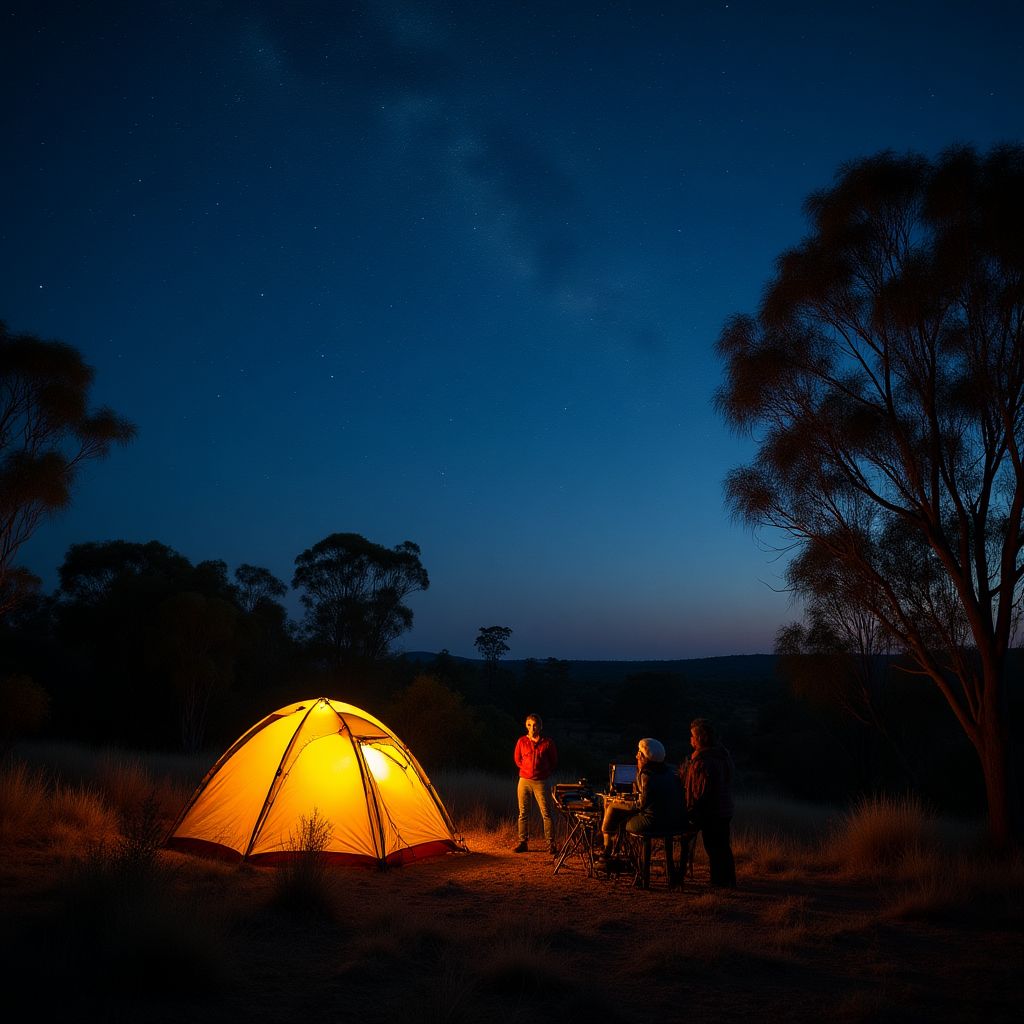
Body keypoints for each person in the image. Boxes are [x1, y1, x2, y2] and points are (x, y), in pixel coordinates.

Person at [599, 737, 683, 860]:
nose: (636, 757)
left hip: (653, 823)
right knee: (622, 811)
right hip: (673, 821)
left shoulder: (647, 775)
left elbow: (641, 805)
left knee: (613, 808)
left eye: (639, 754)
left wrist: (621, 803)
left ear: (644, 757)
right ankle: (616, 851)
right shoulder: (671, 773)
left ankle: (608, 849)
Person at [682, 717, 736, 887]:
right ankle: (727, 881)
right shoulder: (723, 755)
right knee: (722, 846)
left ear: (700, 738)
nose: (690, 739)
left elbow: (700, 791)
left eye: (692, 736)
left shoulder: (703, 761)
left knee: (713, 847)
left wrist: (692, 810)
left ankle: (719, 883)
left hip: (711, 811)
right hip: (725, 808)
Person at [513, 713, 559, 854]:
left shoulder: (547, 743)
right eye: (529, 725)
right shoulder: (522, 741)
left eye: (534, 725)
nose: (532, 728)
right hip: (524, 781)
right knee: (523, 813)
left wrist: (542, 772)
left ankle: (551, 844)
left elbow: (554, 761)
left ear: (540, 726)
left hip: (541, 782)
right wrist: (526, 770)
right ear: (526, 726)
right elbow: (517, 759)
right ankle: (523, 842)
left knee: (546, 813)